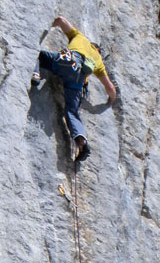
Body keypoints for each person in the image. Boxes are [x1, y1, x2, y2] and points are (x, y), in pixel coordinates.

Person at [31, 15, 118, 161]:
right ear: (98, 51)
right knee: (72, 111)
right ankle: (81, 142)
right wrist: (110, 101)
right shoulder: (98, 62)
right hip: (78, 80)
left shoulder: (80, 37)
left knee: (38, 54)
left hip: (68, 62)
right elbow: (110, 88)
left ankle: (35, 74)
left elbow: (60, 20)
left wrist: (46, 25)